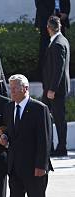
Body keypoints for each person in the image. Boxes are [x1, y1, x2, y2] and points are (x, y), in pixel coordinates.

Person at [0, 75, 53, 197]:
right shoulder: (9, 108)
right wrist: (5, 137)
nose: (11, 91)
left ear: (25, 88)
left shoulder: (39, 108)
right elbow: (9, 130)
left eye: (15, 88)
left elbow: (45, 139)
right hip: (15, 165)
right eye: (10, 88)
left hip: (34, 166)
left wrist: (41, 165)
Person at [43, 16, 71, 157]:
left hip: (55, 89)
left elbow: (58, 69)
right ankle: (52, 146)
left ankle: (61, 147)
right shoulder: (62, 40)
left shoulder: (58, 43)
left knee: (59, 119)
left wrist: (52, 89)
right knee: (49, 117)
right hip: (53, 88)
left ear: (49, 28)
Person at [36, 0, 71, 78]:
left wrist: (65, 13)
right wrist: (51, 17)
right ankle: (43, 75)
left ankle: (63, 73)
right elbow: (39, 4)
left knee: (61, 47)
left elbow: (66, 2)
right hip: (46, 21)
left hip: (60, 20)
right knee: (45, 48)